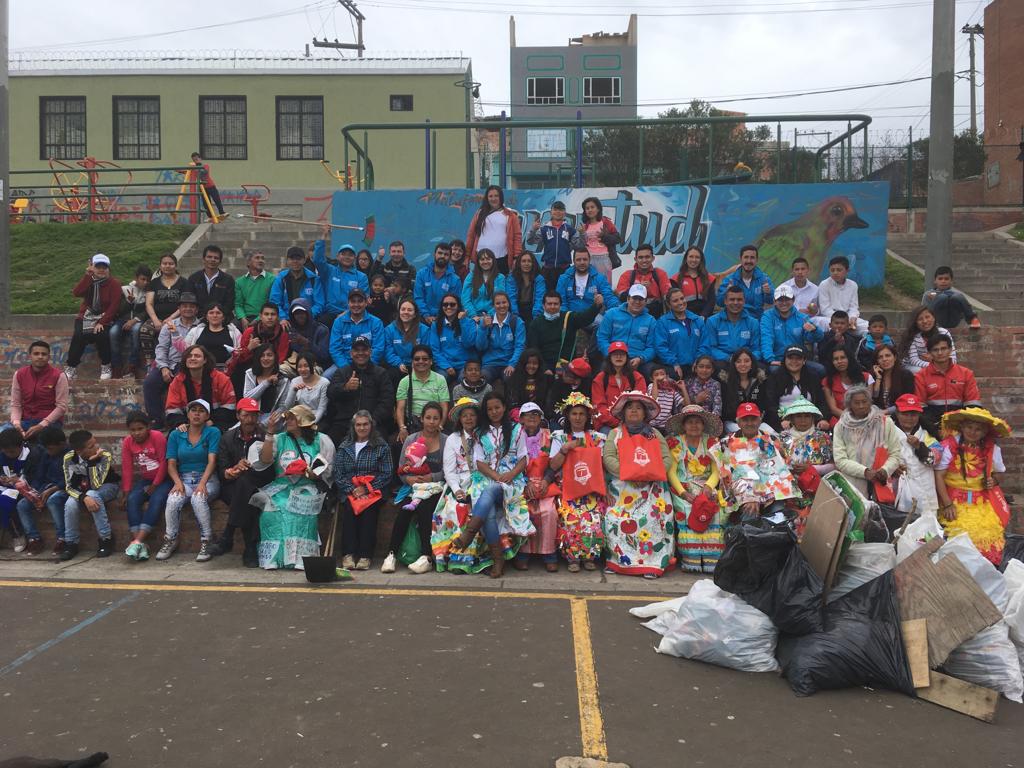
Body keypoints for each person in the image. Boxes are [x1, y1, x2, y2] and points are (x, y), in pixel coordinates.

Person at [433, 397, 525, 574]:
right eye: (464, 416)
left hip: (490, 480)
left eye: (472, 415)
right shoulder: (453, 439)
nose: (468, 419)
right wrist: (457, 489)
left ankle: (470, 535)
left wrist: (504, 475)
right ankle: (474, 558)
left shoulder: (484, 433)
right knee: (467, 508)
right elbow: (449, 470)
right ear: (459, 419)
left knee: (485, 497)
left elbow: (520, 458)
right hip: (466, 482)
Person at [253, 405, 336, 570]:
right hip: (281, 486)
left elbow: (325, 470)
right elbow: (265, 459)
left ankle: (302, 557)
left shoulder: (321, 440)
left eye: (292, 418)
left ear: (302, 421)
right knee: (272, 510)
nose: (287, 421)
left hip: (307, 486)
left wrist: (309, 473)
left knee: (299, 510)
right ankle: (274, 557)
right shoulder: (280, 439)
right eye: (287, 418)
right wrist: (270, 432)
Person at [602, 390, 675, 578]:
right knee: (615, 518)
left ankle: (652, 563)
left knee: (653, 518)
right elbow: (609, 458)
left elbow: (666, 459)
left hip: (652, 486)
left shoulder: (655, 434)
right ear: (623, 413)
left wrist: (649, 474)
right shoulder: (615, 434)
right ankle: (618, 560)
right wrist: (630, 473)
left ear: (645, 413)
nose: (634, 411)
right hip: (623, 486)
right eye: (630, 408)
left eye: (638, 408)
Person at [935, 407, 1010, 565]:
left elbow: (999, 473)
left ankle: (984, 574)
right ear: (962, 427)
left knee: (989, 535)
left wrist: (994, 480)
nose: (973, 432)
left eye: (978, 429)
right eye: (969, 427)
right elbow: (939, 475)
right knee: (959, 536)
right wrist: (947, 504)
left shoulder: (992, 450)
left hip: (982, 502)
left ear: (985, 432)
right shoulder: (949, 446)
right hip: (953, 501)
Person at [383, 401, 446, 575]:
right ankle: (391, 554)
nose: (431, 422)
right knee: (405, 510)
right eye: (428, 418)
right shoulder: (411, 439)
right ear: (422, 419)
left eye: (435, 418)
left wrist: (431, 477)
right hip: (414, 487)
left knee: (425, 508)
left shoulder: (446, 440)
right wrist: (409, 479)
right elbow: (402, 469)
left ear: (441, 420)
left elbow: (448, 470)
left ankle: (426, 556)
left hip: (436, 488)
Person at [711, 402, 799, 524]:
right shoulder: (725, 444)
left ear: (759, 420)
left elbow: (778, 472)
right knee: (750, 512)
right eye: (745, 419)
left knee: (780, 516)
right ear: (738, 422)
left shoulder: (772, 440)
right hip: (741, 497)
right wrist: (749, 498)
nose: (749, 423)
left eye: (753, 419)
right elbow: (728, 477)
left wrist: (761, 497)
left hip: (771, 495)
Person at [155, 399, 221, 562]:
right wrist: (177, 483)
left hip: (207, 478)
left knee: (198, 499)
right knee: (173, 500)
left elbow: (212, 461)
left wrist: (202, 483)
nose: (197, 413)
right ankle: (170, 539)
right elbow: (171, 463)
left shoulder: (213, 432)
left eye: (201, 411)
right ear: (187, 414)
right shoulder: (177, 434)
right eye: (193, 410)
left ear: (207, 416)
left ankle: (207, 541)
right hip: (183, 478)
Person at [547, 393, 606, 571]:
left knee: (593, 519)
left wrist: (605, 490)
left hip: (591, 489)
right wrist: (564, 450)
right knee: (570, 517)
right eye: (574, 414)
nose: (578, 417)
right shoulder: (559, 437)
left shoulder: (597, 438)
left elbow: (601, 467)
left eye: (581, 414)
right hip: (567, 488)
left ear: (587, 416)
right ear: (568, 416)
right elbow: (553, 465)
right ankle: (572, 558)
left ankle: (590, 556)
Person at [665, 405, 724, 573]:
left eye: (697, 422)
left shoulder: (712, 442)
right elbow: (672, 472)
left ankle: (712, 558)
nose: (694, 425)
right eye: (690, 422)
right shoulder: (675, 442)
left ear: (703, 425)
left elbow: (717, 470)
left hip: (706, 485)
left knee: (717, 510)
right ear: (684, 425)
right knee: (687, 508)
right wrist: (684, 493)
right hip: (682, 487)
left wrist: (708, 487)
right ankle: (691, 558)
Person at [334, 409, 394, 570]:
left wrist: (367, 489)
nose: (362, 428)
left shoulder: (381, 446)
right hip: (350, 490)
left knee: (368, 512)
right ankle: (348, 555)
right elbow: (338, 473)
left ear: (371, 425)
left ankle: (365, 555)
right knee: (349, 511)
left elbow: (387, 473)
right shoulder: (345, 446)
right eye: (358, 425)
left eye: (365, 424)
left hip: (373, 490)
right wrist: (352, 489)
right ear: (353, 427)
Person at [510, 401, 560, 572]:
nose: (531, 417)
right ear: (521, 418)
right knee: (525, 510)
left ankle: (549, 555)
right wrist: (524, 482)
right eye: (527, 414)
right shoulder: (515, 436)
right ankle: (523, 554)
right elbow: (510, 463)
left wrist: (546, 480)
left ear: (540, 418)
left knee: (549, 511)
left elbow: (554, 463)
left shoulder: (550, 436)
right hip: (521, 482)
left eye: (535, 414)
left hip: (546, 482)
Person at [143, 292, 202, 428]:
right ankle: (156, 420)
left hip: (189, 365)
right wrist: (163, 367)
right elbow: (161, 348)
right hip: (169, 363)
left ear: (196, 309)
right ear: (179, 309)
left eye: (191, 306)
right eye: (184, 306)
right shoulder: (169, 325)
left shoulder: (201, 327)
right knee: (150, 383)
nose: (188, 309)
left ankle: (183, 420)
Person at [831, 384, 903, 497]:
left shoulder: (885, 422)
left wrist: (885, 470)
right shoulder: (841, 426)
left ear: (870, 402)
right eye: (856, 403)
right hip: (853, 484)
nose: (861, 406)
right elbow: (840, 460)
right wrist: (865, 472)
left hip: (881, 483)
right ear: (849, 405)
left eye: (864, 402)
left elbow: (895, 454)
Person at [59, 429, 119, 561]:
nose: (97, 447)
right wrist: (83, 497)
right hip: (84, 490)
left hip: (108, 486)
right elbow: (68, 486)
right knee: (70, 504)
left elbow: (96, 485)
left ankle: (106, 539)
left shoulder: (104, 455)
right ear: (79, 451)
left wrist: (92, 462)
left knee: (93, 494)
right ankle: (71, 543)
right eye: (91, 446)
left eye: (96, 443)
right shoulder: (69, 458)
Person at [119, 411, 171, 561]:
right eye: (133, 430)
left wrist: (155, 485)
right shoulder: (128, 442)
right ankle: (140, 544)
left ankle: (137, 541)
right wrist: (126, 492)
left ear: (148, 427)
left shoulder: (157, 437)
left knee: (156, 500)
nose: (137, 433)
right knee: (133, 500)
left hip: (164, 479)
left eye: (140, 429)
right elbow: (127, 468)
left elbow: (164, 462)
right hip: (146, 479)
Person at [324, 336, 395, 446]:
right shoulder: (342, 372)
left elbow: (387, 401)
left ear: (370, 352)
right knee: (328, 443)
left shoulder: (381, 373)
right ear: (351, 353)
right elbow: (330, 393)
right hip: (344, 423)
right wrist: (345, 387)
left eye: (364, 350)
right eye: (357, 350)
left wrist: (371, 420)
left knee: (383, 445)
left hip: (373, 423)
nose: (361, 353)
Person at [778, 397, 834, 536]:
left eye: (807, 416)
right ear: (791, 418)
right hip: (789, 492)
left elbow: (834, 466)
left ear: (813, 418)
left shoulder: (823, 438)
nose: (803, 420)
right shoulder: (781, 438)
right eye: (798, 416)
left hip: (816, 491)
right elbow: (774, 465)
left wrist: (812, 469)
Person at [10, 426, 67, 556]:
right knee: (22, 504)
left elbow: (70, 479)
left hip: (63, 488)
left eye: (51, 448)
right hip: (45, 488)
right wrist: (34, 491)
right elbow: (39, 476)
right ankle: (34, 538)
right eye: (46, 448)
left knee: (53, 500)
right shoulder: (46, 455)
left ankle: (62, 538)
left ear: (62, 444)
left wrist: (53, 489)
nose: (48, 451)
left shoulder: (70, 455)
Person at [66, 254, 122, 381]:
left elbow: (114, 306)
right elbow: (77, 292)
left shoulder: (114, 284)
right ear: (92, 267)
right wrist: (87, 276)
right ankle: (71, 367)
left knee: (102, 334)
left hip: (104, 316)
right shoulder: (89, 280)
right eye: (98, 266)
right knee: (79, 335)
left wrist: (102, 322)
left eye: (104, 267)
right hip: (86, 315)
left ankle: (106, 365)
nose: (101, 270)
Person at [914, 334, 981, 437]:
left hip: (961, 428)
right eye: (935, 350)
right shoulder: (921, 376)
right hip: (931, 429)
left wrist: (961, 429)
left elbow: (973, 406)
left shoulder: (966, 373)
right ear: (930, 353)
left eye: (943, 348)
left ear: (950, 350)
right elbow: (920, 409)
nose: (940, 353)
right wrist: (936, 430)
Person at [527, 290, 603, 375]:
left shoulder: (568, 317)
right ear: (543, 306)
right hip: (544, 367)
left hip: (567, 367)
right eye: (549, 304)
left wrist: (596, 306)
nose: (552, 306)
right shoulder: (536, 323)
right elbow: (534, 348)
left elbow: (585, 318)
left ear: (560, 305)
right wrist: (544, 368)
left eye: (556, 304)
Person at [890, 393, 940, 519]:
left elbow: (934, 460)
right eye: (905, 414)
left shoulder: (927, 435)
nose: (909, 418)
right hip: (898, 489)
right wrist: (892, 467)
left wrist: (920, 447)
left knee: (926, 530)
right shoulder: (886, 431)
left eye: (913, 414)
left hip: (925, 489)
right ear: (897, 413)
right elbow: (876, 457)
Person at [165, 344, 237, 431]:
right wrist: (180, 423)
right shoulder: (177, 381)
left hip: (216, 423)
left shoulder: (221, 379)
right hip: (186, 424)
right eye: (189, 356)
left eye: (197, 356)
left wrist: (212, 421)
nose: (192, 358)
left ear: (205, 360)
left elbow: (229, 407)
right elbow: (172, 409)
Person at [758, 346, 830, 433]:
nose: (794, 361)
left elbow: (821, 402)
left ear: (804, 361)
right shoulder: (774, 377)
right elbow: (770, 404)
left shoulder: (813, 377)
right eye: (790, 358)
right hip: (782, 423)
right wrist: (781, 420)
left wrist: (822, 419)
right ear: (785, 359)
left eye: (798, 358)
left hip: (809, 422)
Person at [759, 284, 824, 375]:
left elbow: (818, 337)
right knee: (775, 371)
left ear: (793, 300)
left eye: (787, 299)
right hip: (777, 359)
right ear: (774, 301)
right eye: (780, 300)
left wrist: (814, 330)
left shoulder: (802, 318)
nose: (784, 303)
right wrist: (770, 359)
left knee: (820, 370)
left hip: (798, 359)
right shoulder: (767, 316)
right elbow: (766, 338)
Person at [9, 341, 69, 439]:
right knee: (3, 432)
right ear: (30, 356)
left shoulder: (58, 376)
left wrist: (41, 425)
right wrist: (16, 424)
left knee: (42, 444)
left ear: (49, 357)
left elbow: (61, 407)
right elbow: (16, 404)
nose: (40, 357)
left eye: (44, 354)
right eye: (36, 354)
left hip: (50, 423)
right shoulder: (19, 374)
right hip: (26, 421)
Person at [395, 345, 451, 447]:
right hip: (413, 424)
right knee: (399, 443)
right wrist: (402, 428)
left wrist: (441, 425)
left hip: (434, 422)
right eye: (417, 359)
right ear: (412, 362)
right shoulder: (405, 381)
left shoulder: (440, 379)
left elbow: (444, 406)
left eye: (425, 359)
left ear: (431, 361)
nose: (421, 361)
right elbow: (400, 408)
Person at [228, 303, 290, 392]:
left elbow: (281, 356)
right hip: (251, 366)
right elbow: (240, 357)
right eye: (266, 314)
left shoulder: (282, 333)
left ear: (277, 317)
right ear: (260, 316)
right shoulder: (250, 332)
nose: (269, 317)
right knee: (239, 371)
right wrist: (249, 348)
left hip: (273, 367)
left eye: (273, 314)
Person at [597, 284, 657, 376]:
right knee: (601, 376)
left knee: (654, 373)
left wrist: (640, 359)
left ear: (645, 301)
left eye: (640, 299)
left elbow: (652, 347)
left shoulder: (651, 321)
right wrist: (611, 355)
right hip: (613, 357)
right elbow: (602, 338)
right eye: (634, 298)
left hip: (637, 360)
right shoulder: (611, 314)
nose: (637, 302)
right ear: (628, 298)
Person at [142, 253, 189, 367]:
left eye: (171, 263)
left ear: (175, 265)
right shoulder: (154, 283)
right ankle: (149, 363)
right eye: (164, 263)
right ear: (160, 266)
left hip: (177, 318)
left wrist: (170, 318)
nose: (167, 266)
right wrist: (155, 320)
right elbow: (149, 303)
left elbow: (184, 304)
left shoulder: (184, 282)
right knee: (145, 330)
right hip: (157, 318)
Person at [464, 185, 523, 273]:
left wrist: (516, 257)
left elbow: (517, 237)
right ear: (487, 198)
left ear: (501, 197)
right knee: (480, 286)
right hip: (481, 259)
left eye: (496, 196)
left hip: (502, 259)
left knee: (499, 286)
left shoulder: (511, 216)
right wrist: (467, 256)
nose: (493, 198)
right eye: (490, 196)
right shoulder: (479, 214)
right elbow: (471, 235)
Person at [698, 285, 760, 365]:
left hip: (747, 362)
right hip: (723, 362)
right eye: (732, 299)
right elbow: (711, 348)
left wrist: (746, 360)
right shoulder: (712, 321)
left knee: (762, 369)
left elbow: (757, 349)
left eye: (739, 299)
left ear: (744, 301)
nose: (735, 303)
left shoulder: (753, 322)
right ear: (725, 301)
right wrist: (729, 358)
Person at [314, 240, 370, 327]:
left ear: (355, 258)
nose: (347, 257)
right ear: (337, 256)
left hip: (352, 314)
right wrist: (323, 238)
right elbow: (318, 260)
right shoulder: (329, 271)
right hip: (330, 314)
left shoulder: (361, 277)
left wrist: (346, 313)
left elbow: (363, 299)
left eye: (350, 255)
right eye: (343, 254)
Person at [592, 342, 646, 432]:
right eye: (615, 354)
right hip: (606, 424)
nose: (619, 357)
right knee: (610, 438)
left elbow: (641, 402)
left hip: (633, 423)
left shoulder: (637, 377)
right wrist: (618, 422)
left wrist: (628, 421)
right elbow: (599, 407)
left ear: (627, 357)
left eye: (622, 354)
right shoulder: (600, 378)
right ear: (609, 357)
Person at [555, 247, 619, 322]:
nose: (582, 262)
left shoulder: (599, 278)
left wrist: (618, 310)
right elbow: (561, 301)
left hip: (592, 316)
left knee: (603, 323)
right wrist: (565, 318)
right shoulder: (564, 278)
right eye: (578, 260)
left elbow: (609, 297)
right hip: (570, 316)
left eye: (585, 259)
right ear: (574, 261)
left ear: (589, 260)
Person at [674, 245, 739, 318]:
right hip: (684, 318)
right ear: (686, 259)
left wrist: (703, 316)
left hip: (704, 318)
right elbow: (675, 302)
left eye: (697, 257)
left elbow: (711, 301)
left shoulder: (709, 278)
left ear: (701, 260)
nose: (694, 260)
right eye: (691, 256)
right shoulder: (676, 279)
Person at [654, 287, 705, 380]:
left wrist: (699, 361)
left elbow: (704, 344)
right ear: (669, 304)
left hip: (695, 365)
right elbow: (660, 346)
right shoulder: (663, 322)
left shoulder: (697, 320)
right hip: (674, 367)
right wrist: (674, 363)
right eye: (675, 300)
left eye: (682, 298)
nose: (681, 302)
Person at [109, 263, 150, 379]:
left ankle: (132, 366)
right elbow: (119, 310)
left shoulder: (148, 292)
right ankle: (116, 367)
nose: (145, 282)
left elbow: (147, 311)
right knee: (113, 332)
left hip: (137, 321)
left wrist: (134, 320)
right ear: (136, 278)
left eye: (147, 280)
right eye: (143, 279)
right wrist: (129, 302)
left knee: (137, 330)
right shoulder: (125, 290)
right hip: (123, 319)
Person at [328, 288, 386, 370]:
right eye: (353, 301)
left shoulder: (376, 322)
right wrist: (346, 368)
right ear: (348, 303)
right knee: (326, 377)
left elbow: (378, 349)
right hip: (344, 365)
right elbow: (335, 349)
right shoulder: (338, 322)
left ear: (366, 303)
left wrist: (366, 367)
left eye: (360, 301)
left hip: (369, 365)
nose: (356, 304)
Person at [475, 292, 525, 383]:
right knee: (482, 379)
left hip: (508, 363)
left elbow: (520, 346)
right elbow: (480, 347)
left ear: (508, 303)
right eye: (498, 303)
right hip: (489, 364)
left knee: (510, 378)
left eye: (504, 302)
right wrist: (483, 328)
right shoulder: (486, 321)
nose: (501, 306)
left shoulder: (517, 322)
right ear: (493, 306)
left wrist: (512, 364)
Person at [429, 293, 478, 386]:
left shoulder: (469, 322)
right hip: (445, 364)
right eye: (445, 304)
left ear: (458, 306)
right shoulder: (436, 325)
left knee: (465, 381)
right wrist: (447, 366)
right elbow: (435, 350)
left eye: (452, 304)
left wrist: (462, 321)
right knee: (439, 380)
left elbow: (469, 344)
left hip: (465, 364)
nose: (448, 307)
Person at [528, 201, 579, 289]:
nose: (558, 212)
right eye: (555, 209)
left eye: (560, 209)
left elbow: (578, 246)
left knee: (564, 294)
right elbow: (530, 241)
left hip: (564, 269)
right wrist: (533, 229)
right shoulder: (544, 229)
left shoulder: (570, 229)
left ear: (564, 212)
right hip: (548, 269)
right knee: (547, 295)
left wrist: (582, 234)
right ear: (551, 212)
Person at [715, 245, 774, 320]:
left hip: (757, 321)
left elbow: (771, 301)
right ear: (741, 259)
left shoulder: (764, 279)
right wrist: (726, 293)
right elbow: (719, 303)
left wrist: (768, 293)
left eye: (752, 258)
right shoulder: (730, 279)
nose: (749, 261)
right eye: (746, 257)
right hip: (736, 320)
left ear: (756, 260)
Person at [383, 298, 431, 388]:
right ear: (399, 312)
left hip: (418, 364)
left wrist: (416, 362)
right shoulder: (389, 329)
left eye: (410, 310)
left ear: (415, 314)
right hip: (398, 365)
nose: (406, 312)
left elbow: (426, 350)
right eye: (403, 309)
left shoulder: (424, 330)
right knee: (391, 375)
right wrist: (398, 363)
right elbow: (388, 351)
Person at [812, 256, 866, 334]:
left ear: (847, 270)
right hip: (829, 318)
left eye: (839, 270)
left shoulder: (853, 285)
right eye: (832, 270)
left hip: (848, 318)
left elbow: (854, 307)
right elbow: (825, 309)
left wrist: (852, 318)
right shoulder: (824, 284)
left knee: (867, 326)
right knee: (817, 322)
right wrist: (841, 321)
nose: (835, 273)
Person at [718, 348, 767, 434]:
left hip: (757, 421)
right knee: (744, 435)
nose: (743, 364)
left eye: (746, 361)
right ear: (734, 364)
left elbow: (764, 405)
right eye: (738, 361)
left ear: (752, 363)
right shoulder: (726, 382)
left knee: (773, 434)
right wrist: (743, 421)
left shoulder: (760, 381)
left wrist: (755, 421)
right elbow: (726, 409)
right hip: (734, 422)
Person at [615, 244, 671, 318]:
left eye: (647, 257)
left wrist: (651, 289)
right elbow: (622, 298)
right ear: (635, 259)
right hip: (632, 317)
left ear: (653, 258)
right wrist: (638, 288)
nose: (644, 260)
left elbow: (669, 297)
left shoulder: (660, 274)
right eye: (640, 257)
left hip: (656, 317)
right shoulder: (627, 275)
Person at [269, 246, 322, 323]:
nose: (295, 261)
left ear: (304, 260)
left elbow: (319, 304)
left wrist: (308, 316)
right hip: (286, 320)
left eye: (298, 259)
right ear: (287, 261)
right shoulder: (281, 278)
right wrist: (282, 318)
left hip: (309, 319)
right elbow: (275, 302)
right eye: (292, 259)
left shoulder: (313, 279)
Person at [899, 305, 957, 374]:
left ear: (933, 318)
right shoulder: (914, 336)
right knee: (920, 371)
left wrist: (934, 361)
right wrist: (935, 365)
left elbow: (953, 358)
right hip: (913, 366)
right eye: (920, 319)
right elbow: (914, 360)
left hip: (939, 365)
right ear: (916, 322)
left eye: (927, 317)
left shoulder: (943, 333)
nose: (925, 321)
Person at [822, 347, 872, 426]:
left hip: (865, 419)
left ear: (849, 358)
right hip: (841, 421)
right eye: (836, 359)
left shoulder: (866, 377)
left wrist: (859, 420)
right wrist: (852, 419)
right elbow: (833, 409)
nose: (839, 361)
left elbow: (868, 404)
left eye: (843, 357)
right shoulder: (827, 381)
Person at [283, 298, 332, 378]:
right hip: (296, 364)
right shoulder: (292, 330)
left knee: (310, 373)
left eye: (302, 313)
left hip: (317, 365)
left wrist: (306, 343)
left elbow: (324, 356)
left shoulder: (322, 330)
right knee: (281, 370)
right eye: (296, 313)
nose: (299, 316)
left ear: (308, 313)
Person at [413, 242, 462, 324]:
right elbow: (418, 298)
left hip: (446, 318)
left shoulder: (455, 280)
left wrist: (440, 318)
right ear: (434, 254)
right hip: (422, 317)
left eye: (446, 254)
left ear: (450, 257)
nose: (442, 256)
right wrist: (426, 315)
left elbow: (455, 303)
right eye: (440, 253)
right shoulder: (421, 274)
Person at [243, 343, 291, 426]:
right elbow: (247, 399)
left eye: (269, 355)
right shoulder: (250, 374)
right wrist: (266, 382)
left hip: (272, 420)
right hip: (251, 416)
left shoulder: (283, 379)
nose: (265, 358)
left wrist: (264, 423)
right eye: (262, 355)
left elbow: (283, 407)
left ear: (275, 357)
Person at [184, 302, 241, 371]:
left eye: (218, 313)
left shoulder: (234, 331)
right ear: (206, 316)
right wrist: (175, 335)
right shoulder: (196, 331)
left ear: (223, 317)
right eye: (211, 313)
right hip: (201, 370)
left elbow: (240, 350)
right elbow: (185, 349)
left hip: (227, 370)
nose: (215, 315)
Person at [187, 245, 236, 322]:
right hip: (198, 318)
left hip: (221, 319)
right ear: (203, 259)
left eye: (216, 258)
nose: (212, 260)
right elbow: (190, 300)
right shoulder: (193, 278)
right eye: (209, 257)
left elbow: (230, 304)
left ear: (220, 261)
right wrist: (204, 317)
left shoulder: (228, 280)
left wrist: (216, 316)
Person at [578, 196, 621, 281]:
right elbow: (582, 244)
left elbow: (617, 238)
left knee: (604, 284)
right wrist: (582, 233)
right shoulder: (585, 226)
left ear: (598, 209)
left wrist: (604, 237)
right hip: (589, 259)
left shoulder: (605, 222)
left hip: (604, 258)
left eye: (592, 207)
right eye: (587, 208)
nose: (590, 210)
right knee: (590, 285)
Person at [870, 343, 916, 415]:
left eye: (888, 356)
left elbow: (907, 399)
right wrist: (878, 378)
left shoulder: (906, 375)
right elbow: (874, 398)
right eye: (880, 357)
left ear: (895, 357)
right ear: (877, 361)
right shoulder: (873, 376)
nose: (884, 359)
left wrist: (886, 412)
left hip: (900, 414)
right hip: (878, 414)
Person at [284, 351, 330, 424]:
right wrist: (294, 390)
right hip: (298, 418)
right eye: (299, 366)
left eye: (306, 366)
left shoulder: (324, 383)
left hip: (318, 420)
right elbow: (287, 406)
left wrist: (311, 424)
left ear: (314, 365)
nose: (302, 369)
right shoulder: (295, 381)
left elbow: (322, 409)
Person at [234, 250, 273, 332]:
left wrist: (259, 318)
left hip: (265, 316)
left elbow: (271, 302)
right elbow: (238, 305)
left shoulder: (272, 279)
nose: (261, 260)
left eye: (262, 258)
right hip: (245, 317)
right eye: (257, 258)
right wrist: (242, 318)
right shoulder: (239, 282)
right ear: (248, 263)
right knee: (231, 328)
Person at [545, 357, 593, 424]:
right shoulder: (558, 383)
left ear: (577, 380)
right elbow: (552, 405)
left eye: (567, 373)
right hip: (559, 418)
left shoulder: (588, 387)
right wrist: (561, 419)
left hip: (581, 421)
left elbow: (589, 408)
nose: (564, 373)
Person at [461, 248, 506, 319]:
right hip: (473, 317)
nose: (485, 262)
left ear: (493, 260)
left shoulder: (500, 278)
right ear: (478, 262)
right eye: (482, 259)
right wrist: (473, 315)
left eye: (488, 259)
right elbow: (465, 299)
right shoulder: (471, 276)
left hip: (493, 317)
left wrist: (489, 315)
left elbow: (501, 300)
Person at [507, 251, 547, 323]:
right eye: (523, 261)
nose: (526, 264)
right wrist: (515, 315)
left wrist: (536, 317)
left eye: (529, 261)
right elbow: (511, 298)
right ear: (519, 263)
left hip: (533, 309)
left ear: (533, 263)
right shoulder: (512, 278)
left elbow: (540, 298)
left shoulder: (539, 278)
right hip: (516, 309)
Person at [648, 365, 688, 432]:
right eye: (656, 375)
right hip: (652, 425)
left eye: (662, 374)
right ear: (651, 379)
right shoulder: (651, 386)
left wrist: (683, 388)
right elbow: (654, 398)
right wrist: (655, 381)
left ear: (667, 377)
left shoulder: (671, 390)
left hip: (666, 425)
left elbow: (687, 404)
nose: (659, 377)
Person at [191, 151, 224, 220]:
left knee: (217, 199)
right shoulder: (194, 169)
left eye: (196, 159)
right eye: (194, 160)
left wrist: (198, 166)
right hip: (203, 188)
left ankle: (222, 212)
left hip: (211, 186)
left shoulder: (205, 166)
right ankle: (210, 216)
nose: (195, 161)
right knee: (206, 203)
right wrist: (179, 170)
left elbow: (204, 172)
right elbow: (187, 172)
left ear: (200, 159)